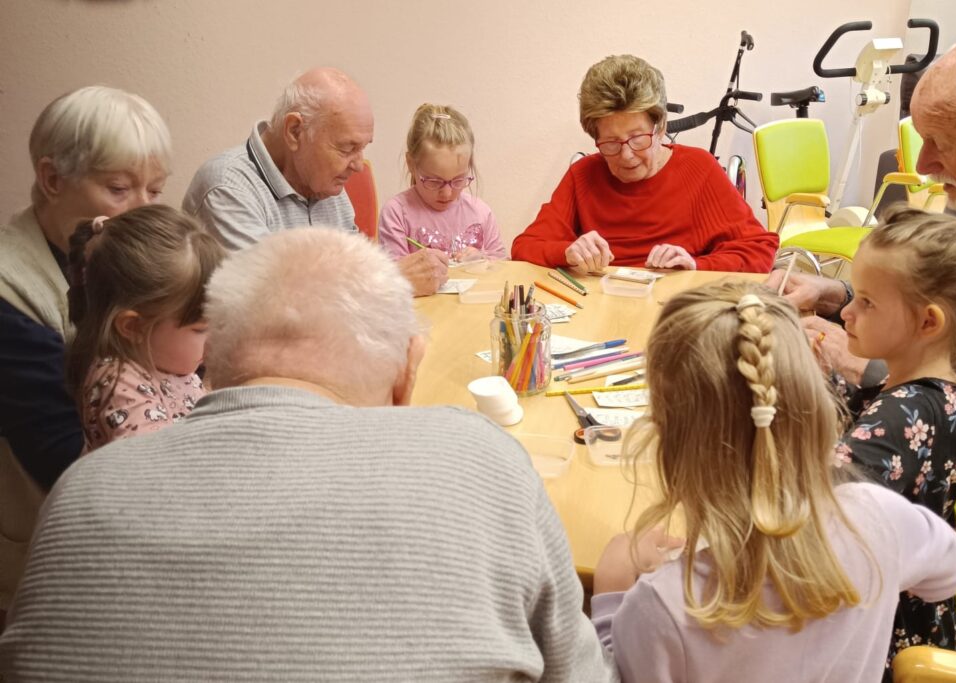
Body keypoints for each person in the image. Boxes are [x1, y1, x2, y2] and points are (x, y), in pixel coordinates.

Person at [0, 228, 615, 681]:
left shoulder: (78, 493)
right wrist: (616, 601)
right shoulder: (482, 456)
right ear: (409, 373)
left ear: (215, 359)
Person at [589, 281, 956, 683]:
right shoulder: (880, 517)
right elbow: (950, 573)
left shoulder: (660, 605)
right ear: (817, 407)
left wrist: (611, 597)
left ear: (666, 436)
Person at [767, 31, 956, 529]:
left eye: (943, 144)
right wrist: (837, 297)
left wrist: (881, 374)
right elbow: (933, 303)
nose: (924, 165)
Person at [830, 200, 956, 673]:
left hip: (879, 639)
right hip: (926, 611)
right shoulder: (950, 388)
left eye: (866, 302)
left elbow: (820, 523)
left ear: (928, 322)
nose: (847, 314)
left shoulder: (902, 413)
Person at [0, 85, 171, 617]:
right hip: (52, 560)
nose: (140, 213)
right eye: (119, 189)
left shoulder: (108, 263)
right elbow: (63, 458)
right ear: (52, 179)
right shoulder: (10, 293)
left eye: (154, 192)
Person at [183, 67, 449, 296]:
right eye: (347, 148)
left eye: (363, 147)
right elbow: (269, 302)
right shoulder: (227, 187)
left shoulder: (325, 186)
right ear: (295, 132)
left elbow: (358, 267)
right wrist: (387, 279)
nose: (358, 165)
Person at [510, 54, 778, 273]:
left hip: (673, 311)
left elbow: (759, 251)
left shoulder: (699, 168)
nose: (626, 155)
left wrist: (696, 264)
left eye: (638, 139)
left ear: (660, 127)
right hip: (598, 309)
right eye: (611, 143)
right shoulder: (584, 174)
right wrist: (567, 253)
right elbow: (525, 246)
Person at [65, 206, 225, 453]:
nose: (215, 337)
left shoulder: (169, 361)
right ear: (133, 326)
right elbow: (158, 468)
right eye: (200, 329)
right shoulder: (118, 384)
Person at [378, 104, 506, 262]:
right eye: (434, 181)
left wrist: (483, 260)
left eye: (458, 180)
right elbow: (391, 278)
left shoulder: (481, 213)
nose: (447, 193)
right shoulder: (397, 213)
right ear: (411, 164)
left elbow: (502, 267)